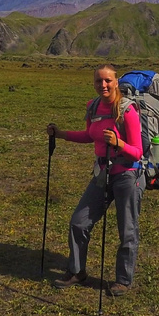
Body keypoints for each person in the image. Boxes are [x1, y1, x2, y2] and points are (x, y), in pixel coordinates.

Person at [46, 64, 145, 296]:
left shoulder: (127, 111)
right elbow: (89, 136)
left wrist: (118, 143)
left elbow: (138, 152)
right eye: (99, 81)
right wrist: (60, 134)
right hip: (102, 173)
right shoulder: (93, 108)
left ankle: (123, 280)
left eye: (108, 80)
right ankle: (77, 272)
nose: (103, 85)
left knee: (127, 229)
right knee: (78, 222)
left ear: (116, 81)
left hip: (127, 176)